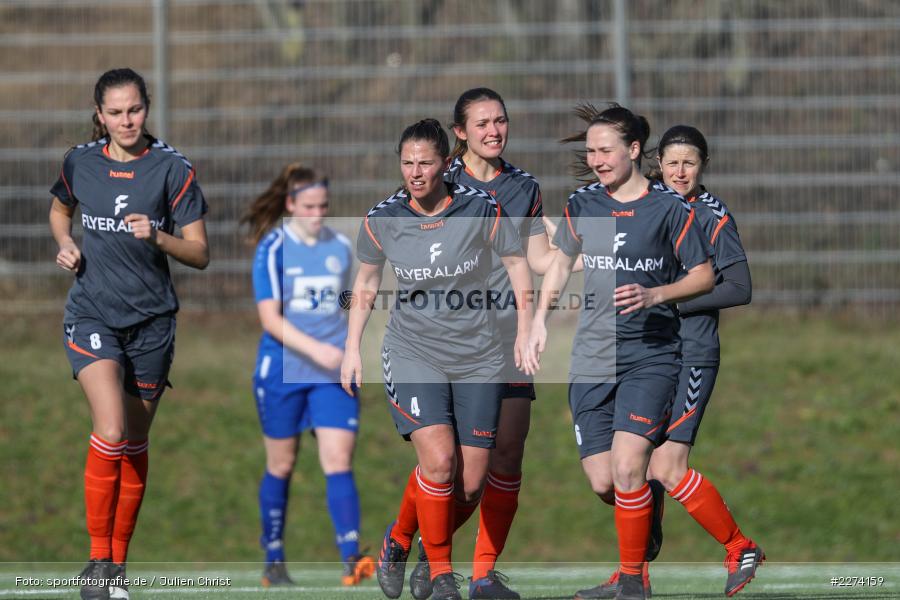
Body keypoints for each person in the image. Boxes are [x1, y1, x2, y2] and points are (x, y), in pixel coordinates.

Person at [524, 104, 715, 600]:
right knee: (606, 482)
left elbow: (704, 276)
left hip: (650, 355)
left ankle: (632, 583)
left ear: (633, 150)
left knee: (630, 464)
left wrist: (656, 294)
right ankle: (643, 511)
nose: (596, 158)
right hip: (591, 355)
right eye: (590, 150)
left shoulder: (669, 208)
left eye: (606, 149)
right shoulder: (584, 204)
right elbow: (561, 264)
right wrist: (538, 324)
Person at [341, 118, 533, 600]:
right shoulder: (383, 217)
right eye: (407, 163)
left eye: (425, 162)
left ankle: (402, 537)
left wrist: (528, 329)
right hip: (413, 351)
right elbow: (364, 285)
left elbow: (516, 265)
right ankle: (442, 573)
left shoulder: (480, 207)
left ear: (447, 164)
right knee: (440, 461)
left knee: (469, 485)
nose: (415, 172)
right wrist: (351, 350)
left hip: (480, 356)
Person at [49, 68, 209, 600]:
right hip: (92, 314)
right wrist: (65, 242)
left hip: (152, 323)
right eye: (115, 112)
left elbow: (201, 253)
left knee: (136, 441)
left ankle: (117, 567)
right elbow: (58, 209)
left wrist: (160, 236)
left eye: (134, 110)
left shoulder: (172, 168)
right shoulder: (79, 161)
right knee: (112, 431)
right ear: (100, 115)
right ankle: (96, 561)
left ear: (147, 107)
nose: (125, 120)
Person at [407, 88, 556, 600]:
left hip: (508, 338)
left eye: (501, 120)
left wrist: (578, 252)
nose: (495, 130)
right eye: (483, 123)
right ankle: (407, 538)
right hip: (447, 341)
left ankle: (484, 575)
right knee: (450, 466)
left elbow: (536, 257)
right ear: (461, 132)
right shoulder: (437, 178)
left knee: (507, 454)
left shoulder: (525, 187)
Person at [241, 163, 375, 587]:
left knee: (339, 460)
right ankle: (274, 560)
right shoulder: (273, 248)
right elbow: (270, 320)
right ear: (290, 205)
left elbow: (350, 300)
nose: (318, 214)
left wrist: (353, 339)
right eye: (310, 207)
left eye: (324, 206)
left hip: (331, 374)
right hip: (282, 371)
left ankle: (352, 558)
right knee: (281, 464)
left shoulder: (339, 246)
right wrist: (318, 349)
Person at [642, 125, 760, 597]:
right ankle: (634, 575)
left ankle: (739, 546)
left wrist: (668, 302)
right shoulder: (650, 204)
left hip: (692, 354)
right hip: (648, 355)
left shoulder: (712, 216)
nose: (679, 171)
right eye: (671, 162)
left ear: (703, 165)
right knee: (634, 465)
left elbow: (739, 287)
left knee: (667, 466)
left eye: (689, 162)